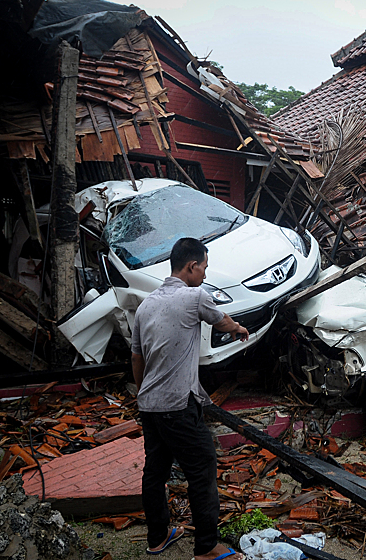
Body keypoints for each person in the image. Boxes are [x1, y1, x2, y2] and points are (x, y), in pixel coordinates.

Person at [131, 237, 249, 559]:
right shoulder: (195, 296)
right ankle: (207, 547)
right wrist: (238, 328)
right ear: (191, 266)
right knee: (202, 466)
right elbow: (220, 320)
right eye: (204, 268)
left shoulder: (145, 306)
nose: (206, 276)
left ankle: (157, 538)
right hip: (177, 406)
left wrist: (144, 394)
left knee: (155, 472)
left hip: (150, 406)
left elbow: (137, 359)